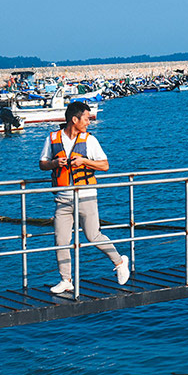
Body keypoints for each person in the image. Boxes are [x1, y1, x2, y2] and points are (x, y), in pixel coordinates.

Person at [39, 101, 130, 294]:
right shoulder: (52, 138)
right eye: (86, 119)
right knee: (61, 239)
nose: (89, 122)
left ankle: (120, 262)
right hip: (62, 198)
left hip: (86, 195)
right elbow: (43, 164)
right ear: (74, 119)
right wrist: (55, 163)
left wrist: (84, 161)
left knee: (93, 235)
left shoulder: (90, 140)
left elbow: (105, 165)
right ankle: (66, 280)